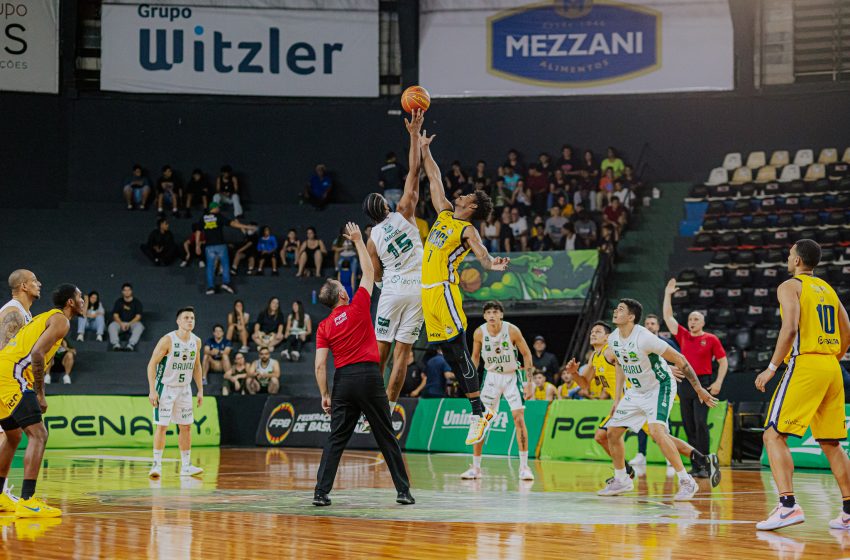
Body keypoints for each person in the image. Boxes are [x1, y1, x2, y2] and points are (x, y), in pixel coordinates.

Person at [419, 127, 510, 445]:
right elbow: (433, 177)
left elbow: (483, 257)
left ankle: (479, 411)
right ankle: (478, 409)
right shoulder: (444, 213)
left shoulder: (467, 228)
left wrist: (492, 264)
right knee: (448, 352)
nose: (462, 193)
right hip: (427, 292)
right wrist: (424, 148)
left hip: (444, 289)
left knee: (457, 353)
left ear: (471, 206)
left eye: (468, 195)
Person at [313, 223, 414, 507]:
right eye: (343, 287)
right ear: (342, 296)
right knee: (385, 433)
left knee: (336, 438)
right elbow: (369, 271)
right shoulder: (358, 305)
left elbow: (320, 366)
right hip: (369, 377)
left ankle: (321, 493)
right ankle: (403, 492)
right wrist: (359, 240)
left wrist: (325, 395)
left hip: (343, 381)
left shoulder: (323, 326)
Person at [754, 239, 850, 531]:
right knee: (831, 443)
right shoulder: (829, 290)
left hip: (806, 363)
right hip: (833, 367)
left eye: (789, 254)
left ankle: (787, 506)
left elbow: (791, 327)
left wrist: (771, 367)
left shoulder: (790, 286)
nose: (787, 257)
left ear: (797, 261)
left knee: (772, 435)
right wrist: (834, 357)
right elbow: (847, 329)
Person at [597, 299, 718, 501]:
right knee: (612, 432)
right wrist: (617, 398)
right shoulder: (614, 339)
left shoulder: (644, 337)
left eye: (620, 309)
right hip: (635, 390)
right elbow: (620, 364)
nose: (615, 311)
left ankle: (687, 481)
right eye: (616, 308)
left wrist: (699, 389)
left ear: (631, 317)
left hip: (659, 387)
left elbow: (681, 360)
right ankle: (622, 480)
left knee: (657, 432)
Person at [0, 284, 84, 517]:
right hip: (12, 374)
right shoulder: (61, 320)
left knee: (13, 434)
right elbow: (37, 354)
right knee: (39, 434)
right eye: (80, 297)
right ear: (70, 302)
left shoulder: (46, 317)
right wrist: (40, 394)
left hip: (3, 371)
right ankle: (27, 501)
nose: (83, 301)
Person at [362, 109, 426, 414]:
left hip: (392, 290)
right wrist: (413, 135)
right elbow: (414, 171)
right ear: (385, 205)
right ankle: (389, 407)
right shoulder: (404, 211)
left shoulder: (372, 237)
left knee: (381, 355)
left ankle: (370, 412)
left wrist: (382, 284)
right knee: (404, 354)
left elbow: (374, 273)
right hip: (419, 288)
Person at [461, 300, 535, 481]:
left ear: (501, 315)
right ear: (484, 316)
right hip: (491, 377)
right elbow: (475, 357)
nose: (492, 315)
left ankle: (524, 467)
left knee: (518, 419)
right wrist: (472, 383)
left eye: (495, 312)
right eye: (488, 313)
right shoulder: (479, 332)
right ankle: (476, 468)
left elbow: (526, 354)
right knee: (481, 420)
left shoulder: (512, 330)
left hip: (511, 376)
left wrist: (530, 382)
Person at [663, 277, 728, 469]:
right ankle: (697, 464)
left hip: (704, 382)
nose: (692, 322)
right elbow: (668, 318)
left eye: (696, 319)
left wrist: (718, 383)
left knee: (701, 423)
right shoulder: (683, 335)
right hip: (684, 383)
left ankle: (707, 462)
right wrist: (668, 294)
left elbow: (723, 362)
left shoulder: (711, 339)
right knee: (688, 425)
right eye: (690, 319)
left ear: (703, 322)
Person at [146, 307, 204, 479]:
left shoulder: (197, 341)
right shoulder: (167, 340)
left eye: (192, 318)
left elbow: (197, 366)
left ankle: (186, 466)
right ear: (178, 321)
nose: (190, 320)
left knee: (186, 427)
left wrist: (200, 390)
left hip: (185, 389)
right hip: (165, 387)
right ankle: (156, 465)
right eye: (186, 317)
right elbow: (151, 364)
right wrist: (152, 390)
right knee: (162, 426)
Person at [199, 202, 251, 295]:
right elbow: (232, 224)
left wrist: (197, 245)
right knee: (225, 265)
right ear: (214, 208)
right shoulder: (218, 216)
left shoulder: (203, 217)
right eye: (218, 208)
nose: (219, 209)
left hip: (209, 246)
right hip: (220, 245)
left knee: (210, 267)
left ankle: (211, 287)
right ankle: (225, 283)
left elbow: (198, 230)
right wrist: (245, 226)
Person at [0, 270, 40, 350]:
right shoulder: (13, 312)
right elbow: (2, 351)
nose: (39, 284)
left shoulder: (26, 312)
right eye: (34, 281)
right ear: (24, 286)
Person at [108, 283, 144, 352]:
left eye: (128, 290)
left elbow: (138, 316)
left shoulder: (137, 302)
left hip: (132, 323)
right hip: (120, 323)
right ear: (122, 292)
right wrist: (121, 324)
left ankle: (131, 345)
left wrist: (129, 324)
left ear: (131, 291)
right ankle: (116, 345)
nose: (127, 292)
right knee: (112, 325)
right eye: (125, 290)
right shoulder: (119, 302)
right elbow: (115, 315)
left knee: (140, 326)